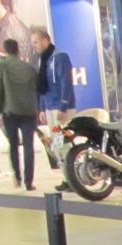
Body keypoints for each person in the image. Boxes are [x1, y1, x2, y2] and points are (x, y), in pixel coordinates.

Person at [0, 37, 38, 190]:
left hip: (11, 112)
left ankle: (17, 177)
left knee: (14, 145)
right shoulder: (29, 68)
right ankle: (29, 182)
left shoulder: (2, 65)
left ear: (4, 50)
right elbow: (37, 90)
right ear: (18, 50)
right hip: (29, 112)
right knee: (29, 146)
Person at [31, 26, 74, 191]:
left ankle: (73, 178)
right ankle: (68, 177)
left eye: (36, 42)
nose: (34, 46)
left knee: (63, 144)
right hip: (50, 108)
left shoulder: (60, 57)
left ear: (46, 40)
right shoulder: (43, 60)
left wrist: (63, 106)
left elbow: (66, 82)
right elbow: (43, 86)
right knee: (57, 145)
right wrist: (42, 108)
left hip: (60, 109)